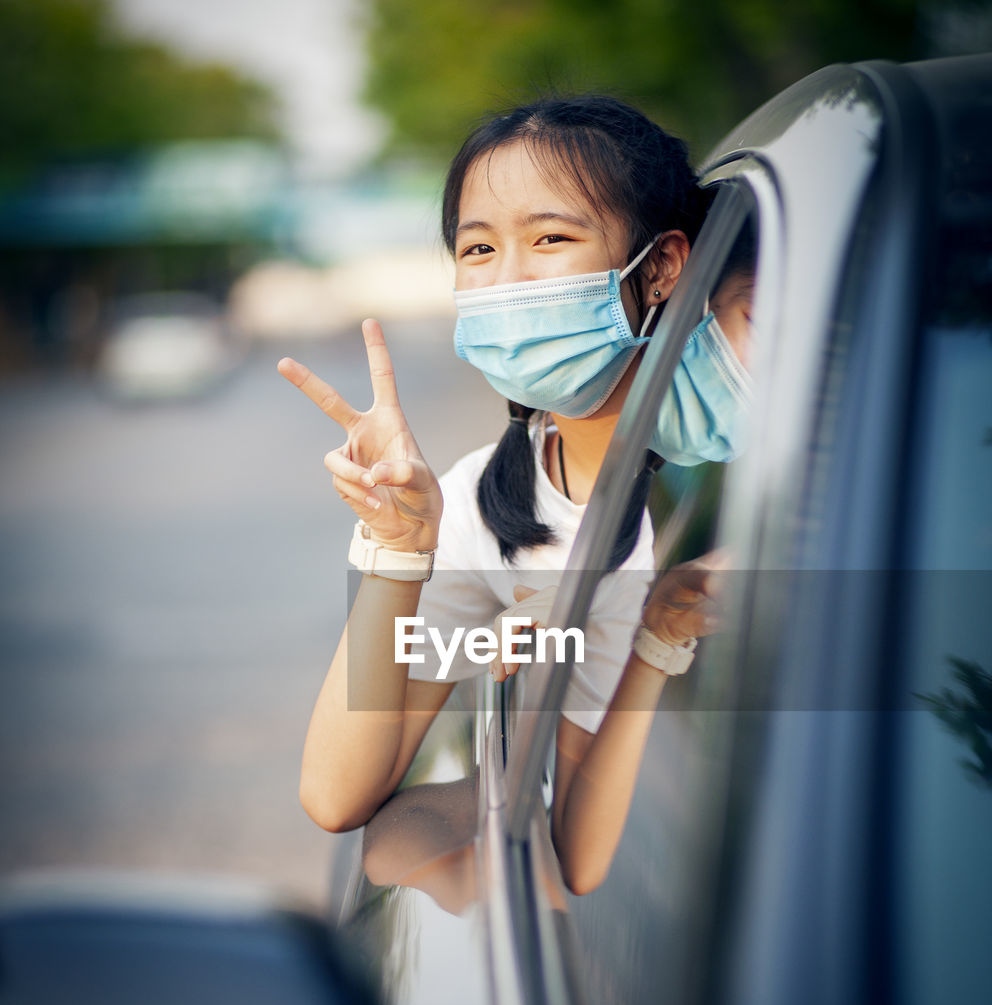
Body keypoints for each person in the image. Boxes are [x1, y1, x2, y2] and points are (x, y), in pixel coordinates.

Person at [278, 95, 752, 894]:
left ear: (664, 267)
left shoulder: (739, 414)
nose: (509, 282)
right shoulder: (492, 509)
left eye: (551, 238)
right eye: (478, 250)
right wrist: (399, 548)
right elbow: (337, 794)